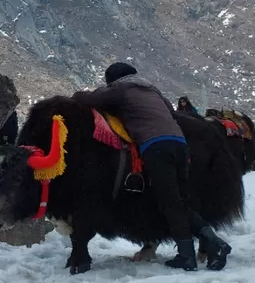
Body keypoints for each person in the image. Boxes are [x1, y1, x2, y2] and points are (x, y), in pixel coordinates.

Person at [72, 62, 231, 270]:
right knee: (181, 201)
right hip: (180, 145)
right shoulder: (153, 91)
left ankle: (201, 250)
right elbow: (171, 113)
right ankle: (199, 249)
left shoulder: (120, 89)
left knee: (169, 202)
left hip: (156, 146)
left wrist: (76, 95)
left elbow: (90, 99)